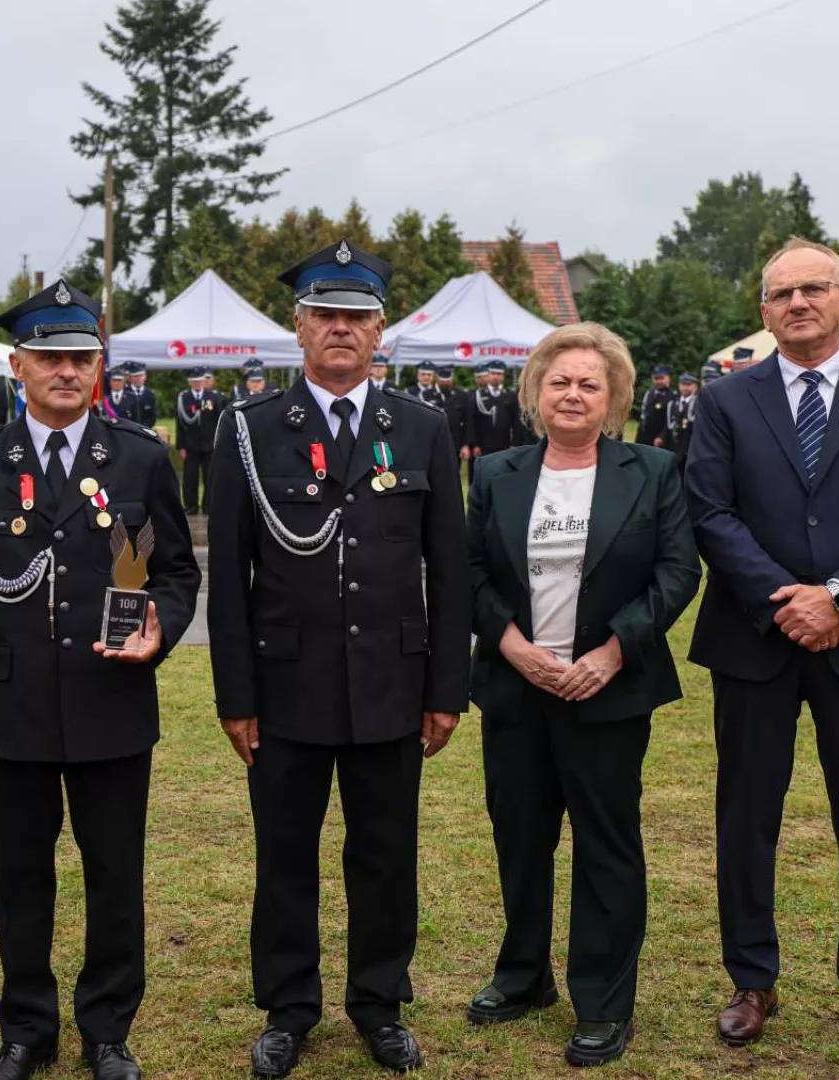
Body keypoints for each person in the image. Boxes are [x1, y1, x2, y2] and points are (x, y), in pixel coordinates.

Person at [0, 279, 200, 1080]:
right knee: (19, 876)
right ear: (19, 365)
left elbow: (176, 573)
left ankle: (107, 1030)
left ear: (100, 366)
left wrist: (163, 627)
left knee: (115, 874)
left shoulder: (142, 459)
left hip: (111, 700)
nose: (66, 373)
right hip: (8, 707)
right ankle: (25, 1030)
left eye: (81, 358)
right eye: (49, 359)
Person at [208, 241, 470, 1077]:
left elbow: (450, 569)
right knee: (285, 852)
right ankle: (289, 1007)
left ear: (381, 331)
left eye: (357, 317)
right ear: (299, 328)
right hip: (285, 683)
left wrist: (446, 690)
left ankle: (379, 1002)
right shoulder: (248, 432)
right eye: (326, 315)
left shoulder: (423, 429)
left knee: (386, 851)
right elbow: (231, 580)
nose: (341, 330)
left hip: (392, 683)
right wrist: (235, 697)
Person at [685, 238, 839, 1061]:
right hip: (755, 640)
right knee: (745, 817)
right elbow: (710, 513)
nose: (797, 302)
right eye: (781, 293)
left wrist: (836, 597)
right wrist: (786, 602)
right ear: (762, 312)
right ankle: (751, 979)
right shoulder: (725, 401)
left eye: (813, 289)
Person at [464, 322, 700, 1066]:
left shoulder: (654, 471)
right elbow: (469, 572)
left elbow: (676, 572)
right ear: (535, 392)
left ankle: (602, 999)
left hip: (608, 692)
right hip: (517, 687)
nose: (572, 393)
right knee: (520, 837)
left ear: (615, 398)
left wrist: (611, 651)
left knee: (607, 846)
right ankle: (522, 975)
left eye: (589, 383)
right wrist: (514, 648)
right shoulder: (496, 472)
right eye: (559, 381)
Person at [175, 366, 223, 514]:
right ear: (190, 382)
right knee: (190, 478)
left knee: (209, 477)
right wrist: (180, 446)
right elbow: (179, 423)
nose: (197, 384)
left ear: (204, 381)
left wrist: (219, 443)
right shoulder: (184, 397)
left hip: (210, 445)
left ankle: (208, 505)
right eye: (194, 381)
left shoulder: (213, 397)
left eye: (199, 381)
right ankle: (191, 506)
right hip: (191, 445)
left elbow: (220, 421)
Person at [467, 360, 521, 469]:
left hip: (504, 444)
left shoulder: (511, 396)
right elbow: (472, 422)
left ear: (503, 376)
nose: (495, 377)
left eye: (499, 374)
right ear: (488, 375)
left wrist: (515, 444)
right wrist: (475, 444)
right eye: (493, 374)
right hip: (483, 445)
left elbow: (516, 422)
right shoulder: (478, 396)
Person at [667, 372, 699, 470]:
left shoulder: (699, 403)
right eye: (683, 385)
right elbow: (669, 426)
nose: (685, 388)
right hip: (675, 446)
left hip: (691, 447)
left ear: (696, 386)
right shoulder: (673, 403)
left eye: (688, 385)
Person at [636, 366, 673, 449]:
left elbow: (670, 421)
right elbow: (643, 414)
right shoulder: (649, 393)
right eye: (656, 378)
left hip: (659, 439)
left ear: (668, 378)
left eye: (662, 378)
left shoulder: (672, 396)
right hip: (644, 437)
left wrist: (662, 436)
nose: (659, 381)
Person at [123, 362, 159, 429]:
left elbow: (153, 416)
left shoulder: (150, 394)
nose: (138, 379)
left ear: (145, 376)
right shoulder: (124, 393)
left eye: (141, 376)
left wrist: (144, 428)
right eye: (135, 376)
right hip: (128, 429)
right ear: (130, 378)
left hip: (145, 430)